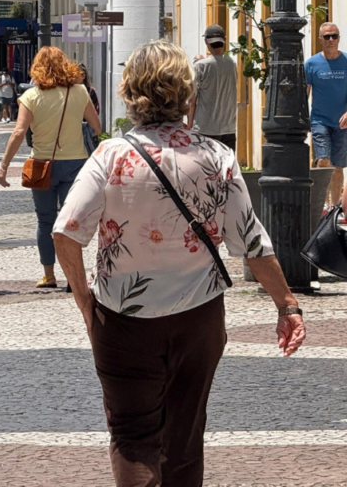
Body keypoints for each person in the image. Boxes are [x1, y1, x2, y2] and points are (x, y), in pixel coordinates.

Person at [53, 40, 305, 487]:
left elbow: (65, 231)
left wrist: (85, 302)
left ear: (130, 93)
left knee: (133, 437)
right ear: (187, 94)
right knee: (186, 438)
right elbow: (252, 243)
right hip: (198, 318)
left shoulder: (111, 157)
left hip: (124, 320)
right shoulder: (215, 157)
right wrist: (286, 304)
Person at [0, 46, 101, 288]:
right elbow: (96, 126)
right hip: (76, 163)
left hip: (42, 164)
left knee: (45, 221)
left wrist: (4, 166)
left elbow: (19, 132)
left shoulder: (31, 97)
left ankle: (49, 274)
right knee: (70, 222)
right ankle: (72, 278)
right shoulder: (80, 91)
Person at [304, 21, 347, 209]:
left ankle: (334, 207)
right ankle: (322, 205)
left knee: (338, 166)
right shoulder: (312, 64)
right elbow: (304, 91)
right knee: (323, 160)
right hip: (320, 120)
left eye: (334, 36)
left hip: (343, 123)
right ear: (320, 39)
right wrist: (302, 117)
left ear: (338, 38)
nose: (331, 40)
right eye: (327, 37)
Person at [186, 24, 238, 152]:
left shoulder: (201, 66)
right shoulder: (231, 64)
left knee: (205, 169)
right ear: (224, 40)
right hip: (228, 127)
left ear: (206, 42)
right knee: (226, 168)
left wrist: (189, 125)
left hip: (205, 128)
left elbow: (192, 100)